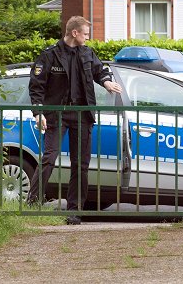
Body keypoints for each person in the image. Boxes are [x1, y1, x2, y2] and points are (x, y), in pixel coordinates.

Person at [27, 16, 122, 225]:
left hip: (82, 115)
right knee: (49, 158)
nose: (88, 38)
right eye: (85, 34)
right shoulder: (50, 55)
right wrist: (38, 112)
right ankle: (32, 204)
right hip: (57, 114)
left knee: (81, 165)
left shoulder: (87, 53)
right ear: (74, 33)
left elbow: (100, 70)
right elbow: (36, 86)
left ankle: (74, 211)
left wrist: (106, 82)